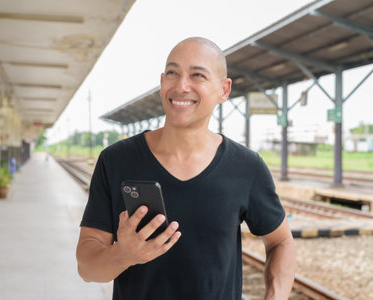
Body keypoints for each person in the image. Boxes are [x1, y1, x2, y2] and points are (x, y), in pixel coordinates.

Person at [76, 37, 296, 299]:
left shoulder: (247, 167)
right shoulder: (115, 160)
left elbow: (281, 241)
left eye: (197, 75)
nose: (181, 86)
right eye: (172, 72)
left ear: (223, 90)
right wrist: (123, 254)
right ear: (161, 82)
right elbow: (87, 268)